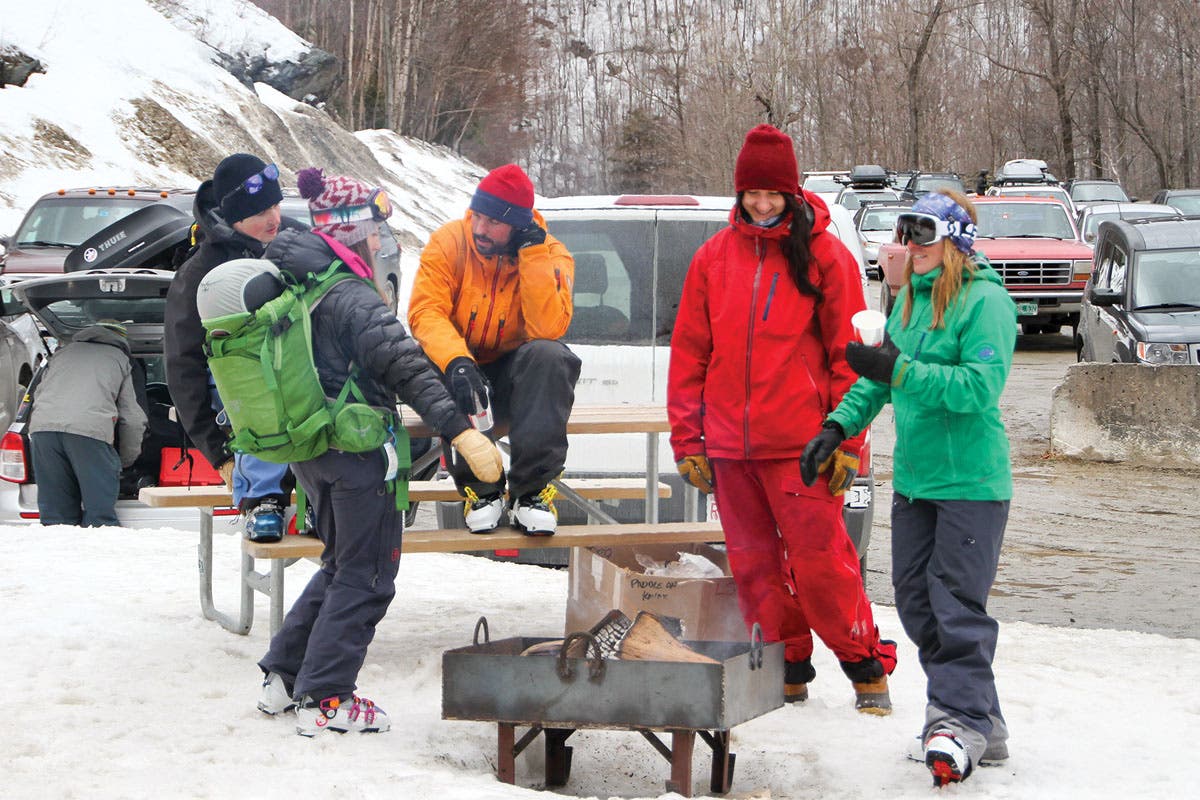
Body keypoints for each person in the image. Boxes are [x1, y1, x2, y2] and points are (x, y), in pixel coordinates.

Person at [256, 167, 503, 736]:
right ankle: (327, 699)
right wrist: (460, 431)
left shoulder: (296, 283)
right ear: (349, 232)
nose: (378, 242)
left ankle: (285, 676)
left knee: (341, 565)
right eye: (372, 231)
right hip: (359, 452)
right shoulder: (351, 297)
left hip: (313, 452)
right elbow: (408, 367)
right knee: (368, 576)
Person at [667, 123, 898, 714]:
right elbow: (690, 353)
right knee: (754, 570)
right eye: (752, 193)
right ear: (739, 193)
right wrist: (688, 439)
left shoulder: (826, 256)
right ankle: (786, 664)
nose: (762, 204)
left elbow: (855, 359)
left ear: (791, 193)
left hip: (804, 445)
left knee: (822, 565)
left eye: (773, 193)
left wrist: (848, 441)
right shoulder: (712, 258)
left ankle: (864, 662)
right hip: (728, 448)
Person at [803, 190, 1015, 785]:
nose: (910, 248)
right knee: (917, 602)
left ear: (953, 242)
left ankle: (956, 722)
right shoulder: (908, 302)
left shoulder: (985, 302)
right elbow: (878, 381)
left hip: (972, 483)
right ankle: (984, 722)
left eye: (922, 236)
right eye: (905, 235)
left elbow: (978, 389)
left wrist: (896, 369)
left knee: (955, 604)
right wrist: (836, 427)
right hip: (918, 482)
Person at [408, 163, 579, 535]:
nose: (481, 229)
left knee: (551, 356)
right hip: (459, 368)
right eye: (478, 217)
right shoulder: (449, 241)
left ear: (518, 225)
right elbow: (425, 312)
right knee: (440, 362)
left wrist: (531, 258)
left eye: (493, 223)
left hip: (513, 377)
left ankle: (531, 493)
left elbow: (548, 330)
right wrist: (457, 360)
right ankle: (481, 491)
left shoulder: (553, 255)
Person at [165, 154, 300, 543]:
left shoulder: (288, 242)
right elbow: (182, 367)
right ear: (235, 216)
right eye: (261, 210)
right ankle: (262, 501)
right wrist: (218, 453)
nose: (274, 217)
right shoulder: (198, 273)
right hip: (242, 412)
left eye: (276, 204)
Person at [28, 322, 147, 526]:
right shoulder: (121, 359)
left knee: (56, 518)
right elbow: (133, 417)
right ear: (121, 339)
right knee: (99, 518)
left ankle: (58, 555)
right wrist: (125, 460)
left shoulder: (61, 354)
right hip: (89, 433)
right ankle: (98, 555)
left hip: (43, 431)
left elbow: (38, 395)